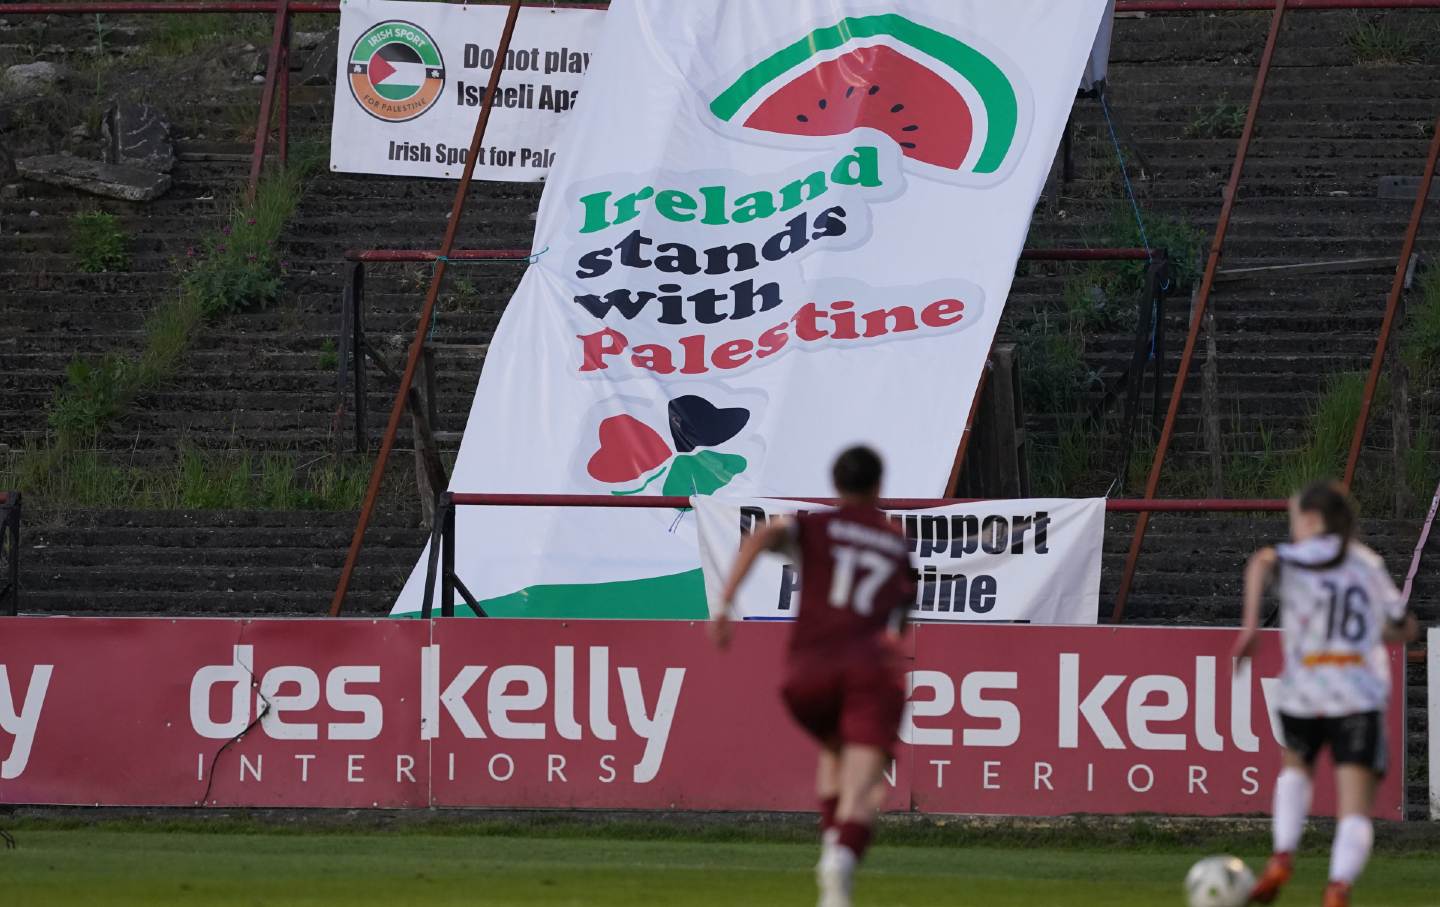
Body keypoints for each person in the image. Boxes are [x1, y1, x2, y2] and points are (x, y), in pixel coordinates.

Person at [710, 445, 914, 907]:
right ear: (879, 487)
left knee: (832, 748)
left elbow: (762, 535)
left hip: (806, 674)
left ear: (836, 485)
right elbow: (899, 626)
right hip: (865, 669)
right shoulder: (895, 542)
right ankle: (839, 862)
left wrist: (724, 605)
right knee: (867, 788)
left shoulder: (816, 526)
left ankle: (829, 850)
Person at [1233, 481, 1418, 907]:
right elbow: (1406, 627)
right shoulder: (1367, 563)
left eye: (1294, 519)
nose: (1292, 528)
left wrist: (1249, 629)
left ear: (1312, 520)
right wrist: (1372, 632)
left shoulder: (1298, 557)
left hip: (1304, 693)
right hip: (1358, 696)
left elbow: (1261, 561)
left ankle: (1282, 856)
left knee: (1295, 771)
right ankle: (1337, 887)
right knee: (1354, 809)